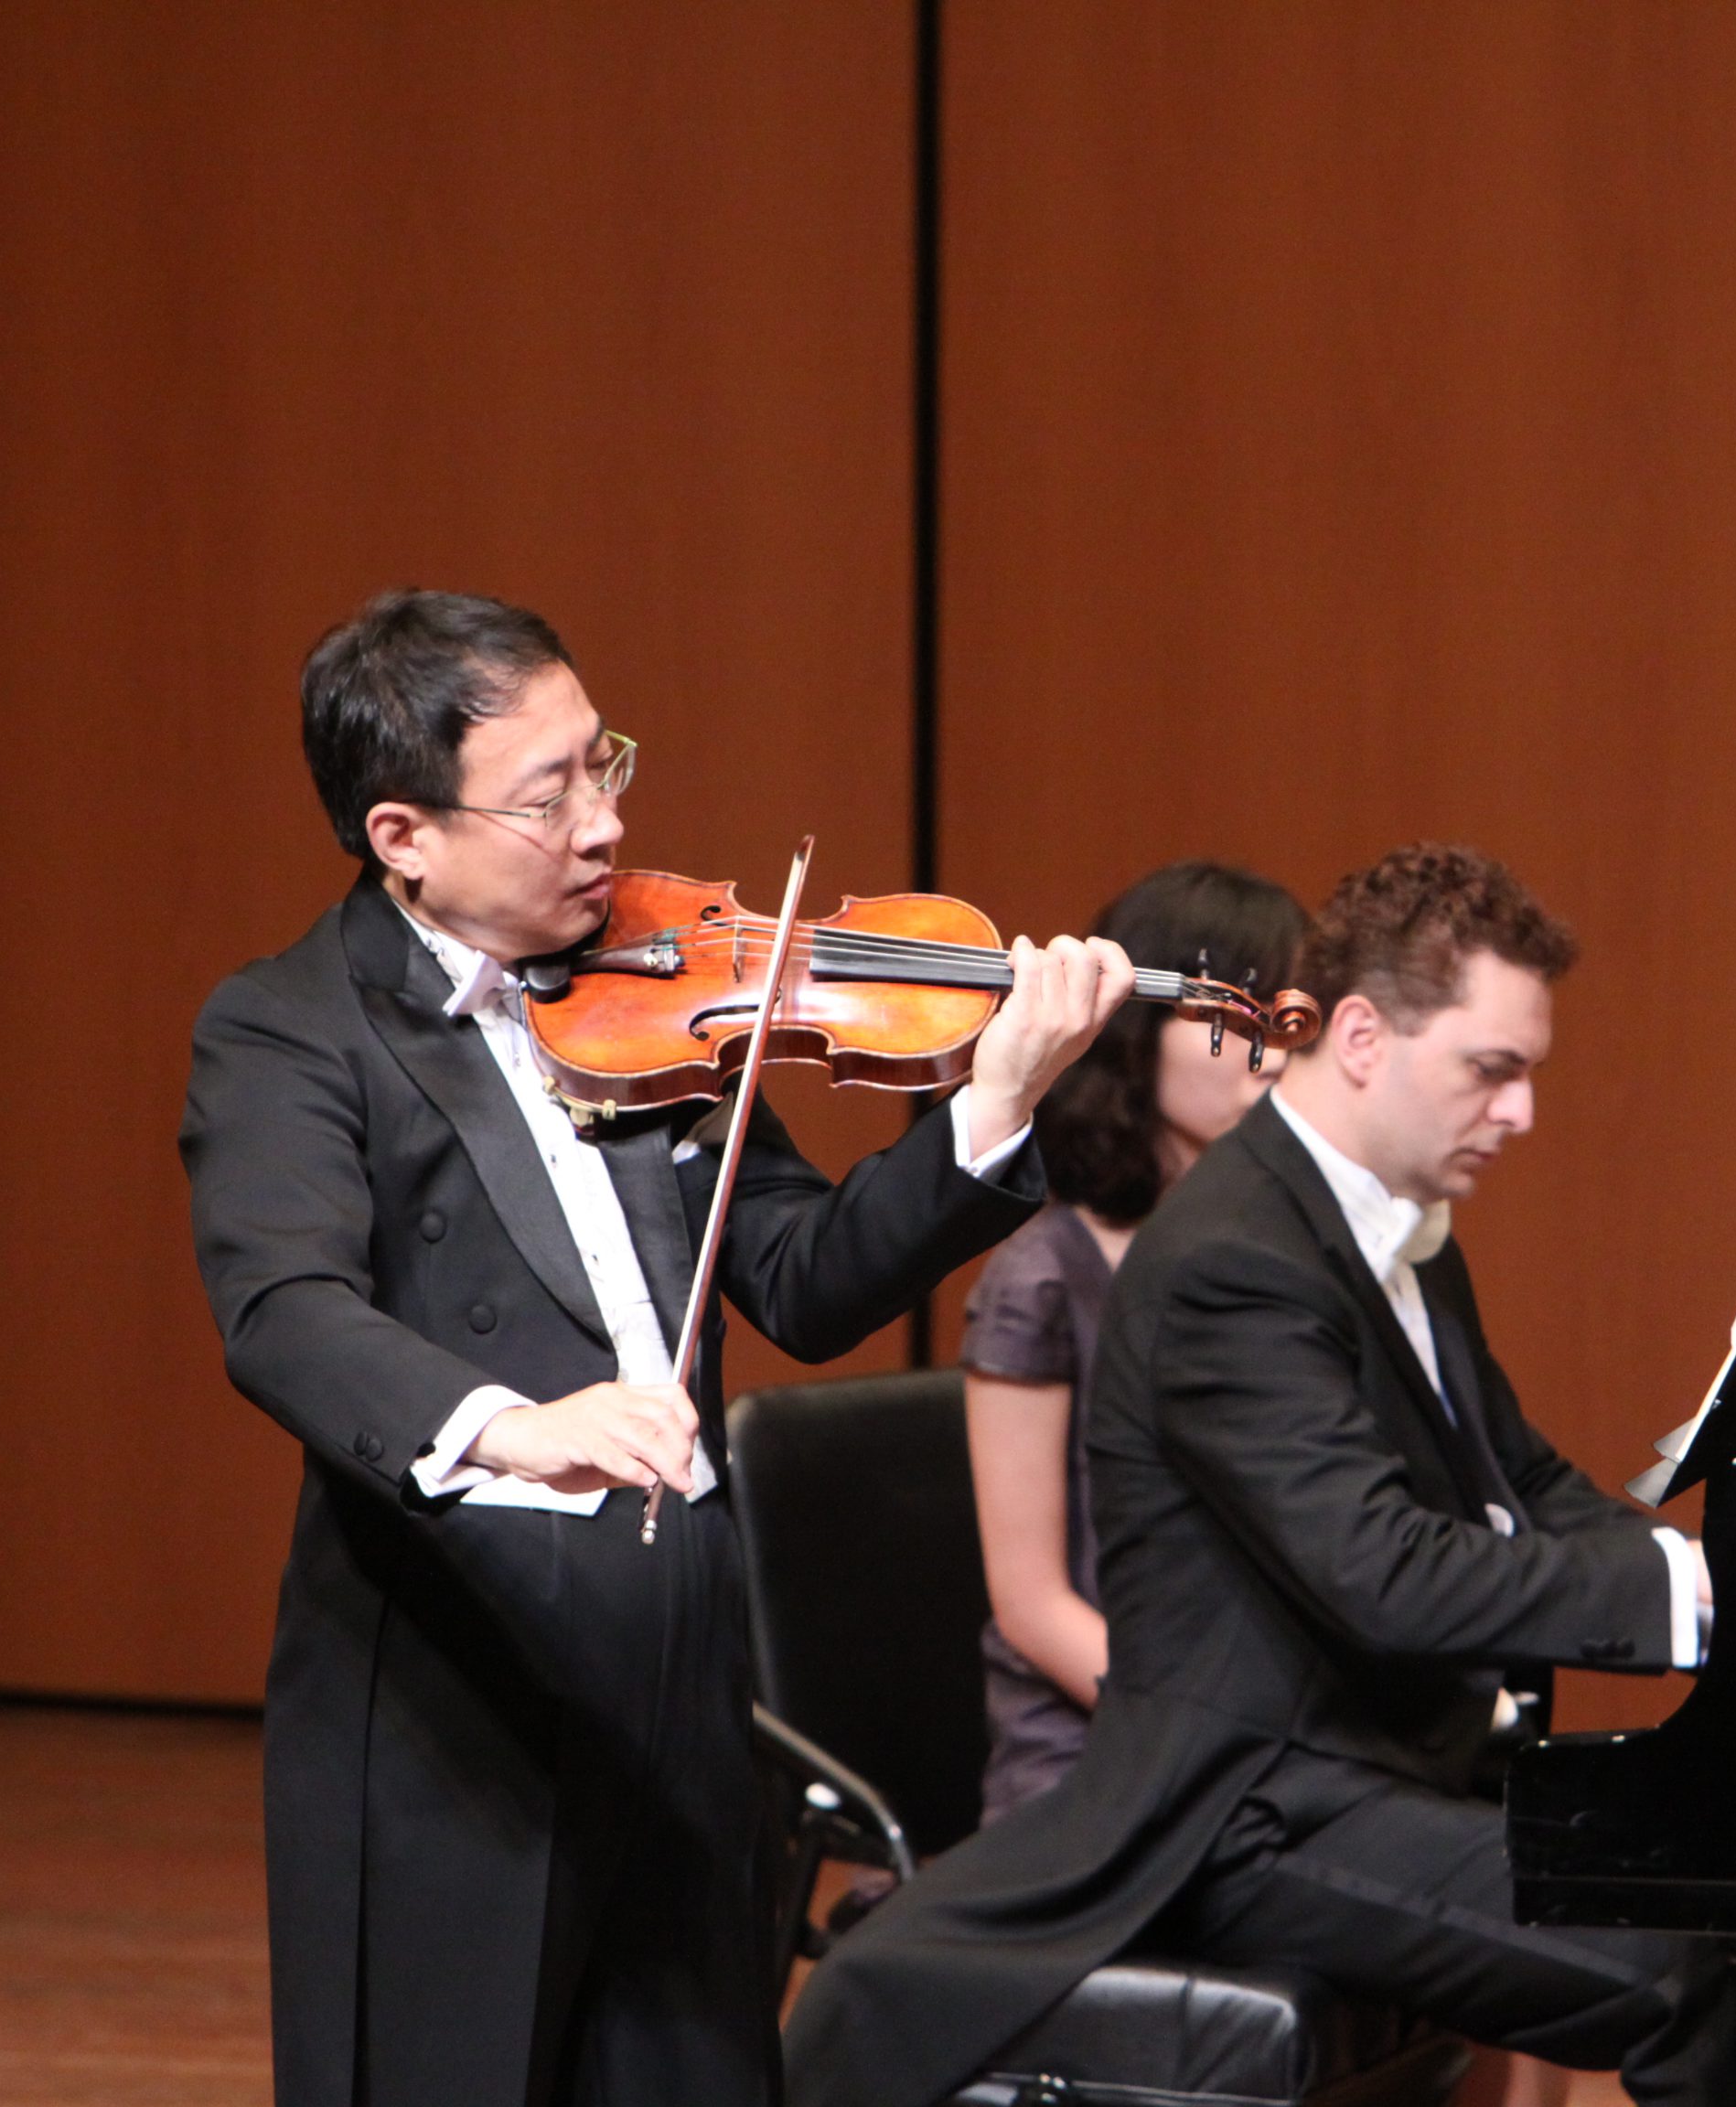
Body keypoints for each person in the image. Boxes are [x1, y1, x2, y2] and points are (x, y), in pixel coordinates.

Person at [180, 589, 1131, 2107]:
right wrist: (510, 1422)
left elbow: (806, 1280)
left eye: (603, 763)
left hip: (683, 1671)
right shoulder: (291, 1027)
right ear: (404, 835)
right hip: (457, 1700)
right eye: (546, 795)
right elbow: (285, 1309)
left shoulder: (649, 984)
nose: (604, 824)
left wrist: (995, 1104)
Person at [788, 842, 1736, 2107]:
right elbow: (1383, 1573)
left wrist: (1713, 1575)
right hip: (1245, 1811)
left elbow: (1516, 1480)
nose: (1521, 1114)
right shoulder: (1233, 1262)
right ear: (1360, 1039)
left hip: (1367, 1768)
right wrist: (1686, 1604)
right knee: (1681, 1969)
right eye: (1491, 1071)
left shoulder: (1392, 1221)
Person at [962, 861, 1310, 1824]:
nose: (1272, 1058)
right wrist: (1225, 1732)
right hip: (1095, 1759)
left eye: (1283, 1021)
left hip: (1261, 1741)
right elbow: (1033, 1607)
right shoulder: (1042, 1277)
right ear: (1135, 1031)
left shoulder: (1281, 1253)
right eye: (1229, 1018)